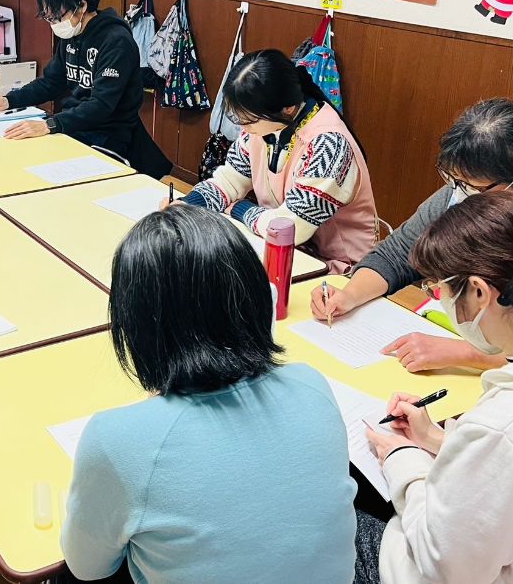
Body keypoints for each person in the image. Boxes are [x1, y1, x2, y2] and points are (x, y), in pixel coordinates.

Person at [61, 204, 357, 582]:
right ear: (255, 299)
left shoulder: (116, 440)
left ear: (135, 324)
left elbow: (87, 567)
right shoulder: (312, 385)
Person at [361, 190, 513, 583]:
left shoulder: (503, 425)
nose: (440, 298)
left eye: (441, 290)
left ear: (479, 293)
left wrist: (403, 458)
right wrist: (437, 439)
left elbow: (443, 565)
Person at [311, 99, 513, 373]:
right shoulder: (461, 194)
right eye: (455, 181)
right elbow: (396, 254)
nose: (460, 194)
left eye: (473, 186)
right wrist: (349, 295)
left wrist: (466, 353)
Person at [166, 49, 377, 274]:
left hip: (340, 269)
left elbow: (289, 228)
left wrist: (238, 208)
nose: (242, 127)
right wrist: (189, 204)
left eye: (249, 120)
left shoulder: (329, 145)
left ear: (287, 109)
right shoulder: (262, 127)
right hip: (287, 252)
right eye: (238, 117)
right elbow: (229, 180)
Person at [0, 0, 143, 160]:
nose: (55, 24)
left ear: (82, 5)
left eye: (59, 17)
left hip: (107, 135)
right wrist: (8, 101)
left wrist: (50, 125)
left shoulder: (116, 41)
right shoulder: (72, 34)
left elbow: (101, 106)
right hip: (75, 127)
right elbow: (51, 82)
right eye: (50, 18)